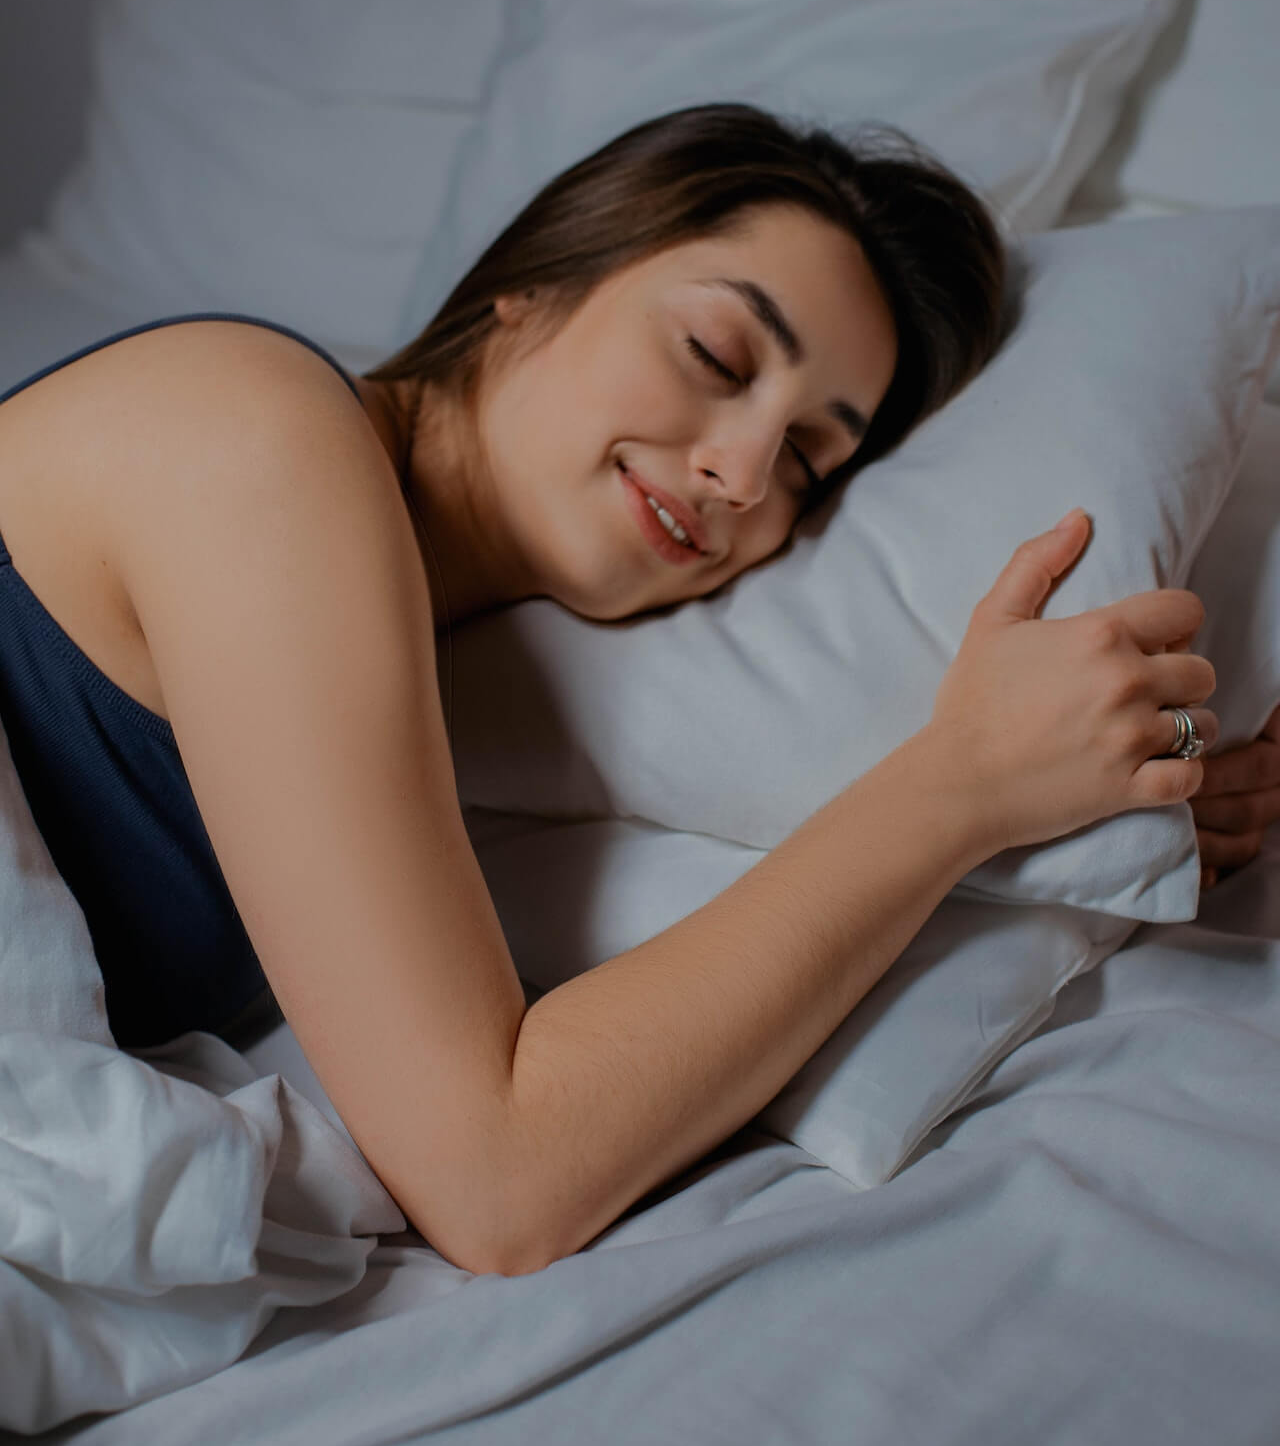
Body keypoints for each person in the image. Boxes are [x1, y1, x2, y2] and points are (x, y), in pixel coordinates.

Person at [0, 103, 1274, 1277]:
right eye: (716, 354)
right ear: (532, 281)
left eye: (808, 464)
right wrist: (957, 790)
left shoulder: (426, 655)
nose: (737, 471)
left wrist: (1089, 818)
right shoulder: (261, 438)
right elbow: (496, 1180)